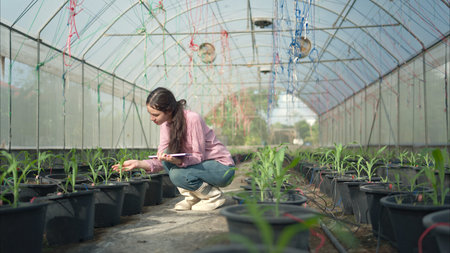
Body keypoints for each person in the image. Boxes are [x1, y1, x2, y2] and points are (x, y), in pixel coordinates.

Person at [112, 87, 235, 211]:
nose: (152, 118)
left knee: (176, 174)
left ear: (169, 110)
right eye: (150, 114)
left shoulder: (192, 119)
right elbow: (161, 159)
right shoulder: (166, 125)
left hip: (222, 168)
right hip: (202, 167)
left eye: (155, 115)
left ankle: (213, 197)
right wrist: (139, 163)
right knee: (166, 159)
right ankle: (193, 197)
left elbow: (198, 156)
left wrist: (178, 161)